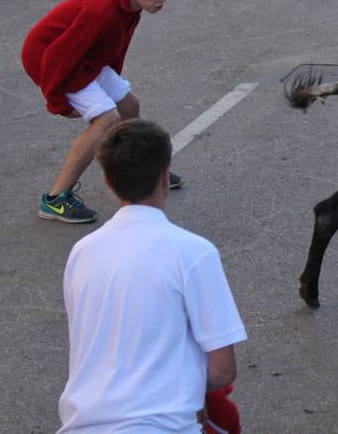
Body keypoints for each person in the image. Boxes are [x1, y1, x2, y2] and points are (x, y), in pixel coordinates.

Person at [59, 119, 246, 433]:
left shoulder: (82, 252)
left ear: (107, 181)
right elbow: (222, 370)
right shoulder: (194, 252)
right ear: (164, 175)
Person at [22, 0, 179, 224]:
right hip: (52, 61)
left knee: (129, 105)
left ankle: (139, 172)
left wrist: (113, 82)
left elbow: (115, 49)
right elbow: (57, 58)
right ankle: (55, 199)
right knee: (107, 118)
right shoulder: (101, 10)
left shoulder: (131, 8)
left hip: (86, 61)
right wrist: (57, 102)